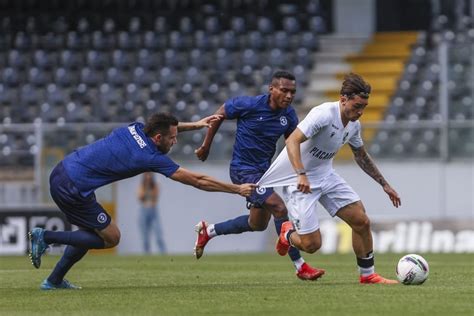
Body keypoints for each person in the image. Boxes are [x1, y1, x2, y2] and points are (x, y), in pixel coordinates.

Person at [28, 112, 256, 290]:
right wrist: (236, 189)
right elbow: (198, 180)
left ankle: (54, 280)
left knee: (90, 232)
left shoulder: (135, 128)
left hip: (64, 171)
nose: (175, 141)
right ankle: (45, 237)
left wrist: (195, 125)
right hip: (73, 186)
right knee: (111, 237)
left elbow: (164, 129)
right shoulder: (149, 156)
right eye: (173, 138)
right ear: (158, 139)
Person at [257, 73, 402, 284]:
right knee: (312, 245)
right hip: (299, 182)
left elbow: (360, 155)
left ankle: (368, 274)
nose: (360, 112)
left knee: (361, 221)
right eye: (357, 106)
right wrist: (301, 174)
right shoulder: (323, 114)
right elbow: (292, 141)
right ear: (343, 99)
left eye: (364, 107)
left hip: (325, 175)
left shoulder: (353, 125)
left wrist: (385, 185)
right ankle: (287, 234)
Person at [193, 70, 324, 281]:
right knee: (279, 207)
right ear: (271, 89)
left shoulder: (288, 115)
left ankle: (209, 231)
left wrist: (300, 170)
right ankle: (300, 267)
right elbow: (219, 114)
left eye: (293, 92)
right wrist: (206, 145)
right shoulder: (248, 105)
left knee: (257, 224)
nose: (289, 96)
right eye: (284, 90)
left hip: (266, 174)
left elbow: (293, 145)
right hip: (242, 170)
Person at [137, 172, 166, 254]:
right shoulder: (141, 186)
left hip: (153, 210)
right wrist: (146, 186)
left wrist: (150, 186)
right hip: (144, 211)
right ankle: (147, 254)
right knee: (145, 236)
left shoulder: (155, 186)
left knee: (158, 233)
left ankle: (163, 254)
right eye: (147, 176)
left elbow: (155, 196)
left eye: (150, 176)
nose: (148, 177)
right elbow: (140, 197)